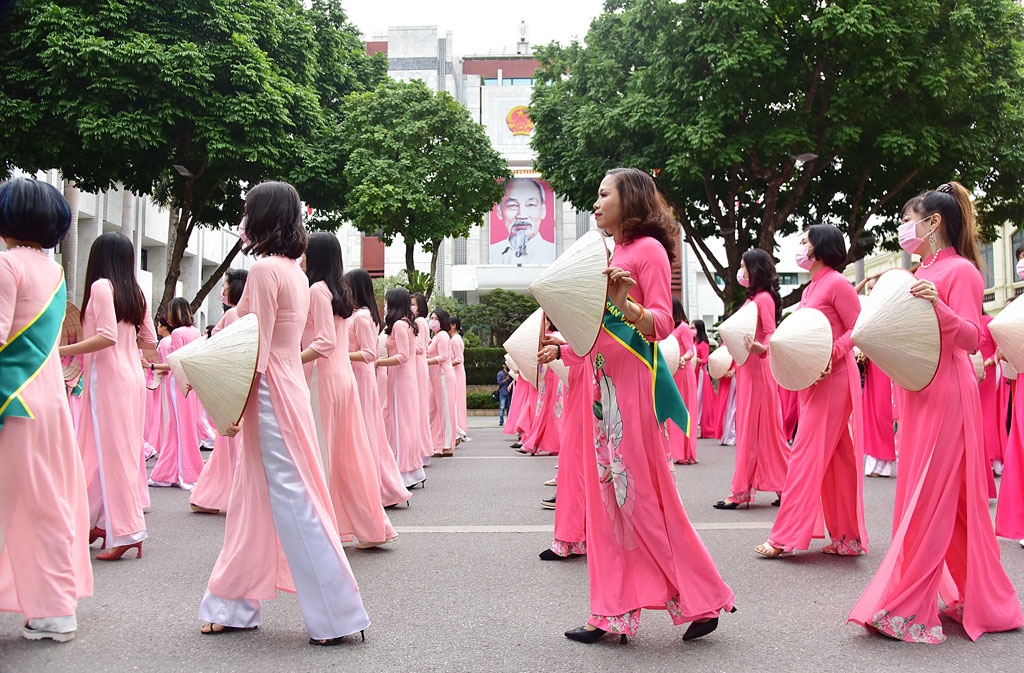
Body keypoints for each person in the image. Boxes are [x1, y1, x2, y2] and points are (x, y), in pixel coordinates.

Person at [564, 167, 734, 644]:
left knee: (643, 501)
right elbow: (593, 327)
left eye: (603, 194)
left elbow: (661, 322)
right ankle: (610, 612)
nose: (595, 203)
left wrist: (628, 305)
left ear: (630, 199)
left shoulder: (649, 251)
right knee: (607, 505)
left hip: (635, 387)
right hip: (602, 387)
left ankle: (703, 596)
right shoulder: (607, 252)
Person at [848, 182, 1022, 643]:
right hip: (921, 391)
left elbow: (970, 338)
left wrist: (937, 305)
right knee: (938, 497)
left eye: (911, 219)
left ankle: (911, 605)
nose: (907, 227)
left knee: (931, 496)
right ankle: (984, 597)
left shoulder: (961, 271)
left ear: (934, 222)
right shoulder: (923, 268)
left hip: (948, 390)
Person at [198, 181, 369, 645]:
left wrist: (228, 404)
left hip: (271, 390)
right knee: (260, 494)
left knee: (290, 497)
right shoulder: (293, 271)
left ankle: (337, 613)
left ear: (262, 217)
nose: (242, 219)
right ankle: (233, 604)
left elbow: (252, 349)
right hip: (286, 385)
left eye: (248, 210)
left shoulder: (264, 271)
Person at [0, 177, 93, 642]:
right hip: (48, 400)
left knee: (24, 504)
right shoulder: (52, 271)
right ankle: (54, 607)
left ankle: (52, 608)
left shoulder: (6, 266)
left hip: (12, 402)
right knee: (45, 502)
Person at [755, 224, 867, 557]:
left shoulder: (836, 283)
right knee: (837, 459)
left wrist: (830, 355)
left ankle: (784, 537)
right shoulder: (810, 289)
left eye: (805, 241)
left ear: (820, 247)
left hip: (834, 378)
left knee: (805, 452)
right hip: (813, 379)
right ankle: (847, 538)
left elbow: (859, 328)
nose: (800, 246)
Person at [61, 232, 157, 561]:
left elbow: (105, 336)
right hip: (131, 378)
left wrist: (63, 349)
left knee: (109, 454)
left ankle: (128, 531)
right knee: (112, 453)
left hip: (109, 379)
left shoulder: (102, 287)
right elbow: (150, 339)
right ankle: (100, 521)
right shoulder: (135, 291)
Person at [301, 232, 396, 548]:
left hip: (325, 380)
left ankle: (326, 525)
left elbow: (324, 342)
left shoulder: (316, 289)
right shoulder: (339, 290)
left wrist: (290, 360)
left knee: (326, 454)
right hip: (344, 380)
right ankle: (368, 526)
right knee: (350, 455)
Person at [713, 249, 790, 509]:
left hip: (759, 370)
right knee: (757, 431)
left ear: (755, 270)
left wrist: (761, 349)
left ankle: (743, 492)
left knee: (762, 430)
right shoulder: (755, 299)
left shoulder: (764, 299)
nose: (741, 272)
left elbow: (771, 333)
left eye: (745, 267)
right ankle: (780, 488)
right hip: (748, 370)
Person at [344, 268, 411, 508]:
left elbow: (369, 353)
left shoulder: (361, 317)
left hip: (360, 377)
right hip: (357, 375)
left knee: (364, 431)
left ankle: (377, 487)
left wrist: (341, 354)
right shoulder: (358, 315)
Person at [189, 269, 248, 514]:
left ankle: (218, 496)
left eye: (224, 285)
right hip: (234, 382)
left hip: (229, 384)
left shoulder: (235, 314)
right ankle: (217, 495)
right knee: (227, 446)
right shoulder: (240, 313)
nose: (222, 290)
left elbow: (226, 349)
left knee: (230, 445)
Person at [538, 332, 592, 560]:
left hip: (590, 384)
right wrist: (565, 345)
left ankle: (571, 539)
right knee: (581, 466)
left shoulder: (605, 307)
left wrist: (562, 350)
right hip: (586, 380)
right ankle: (579, 537)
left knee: (575, 464)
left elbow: (598, 342)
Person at [148, 297, 205, 490]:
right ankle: (170, 472)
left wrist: (152, 365)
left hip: (178, 382)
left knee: (178, 426)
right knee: (182, 426)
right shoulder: (196, 332)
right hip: (193, 380)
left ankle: (182, 472)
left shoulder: (178, 333)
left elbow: (176, 362)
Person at [378, 288, 428, 488]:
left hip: (401, 378)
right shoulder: (407, 324)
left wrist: (379, 362)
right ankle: (411, 470)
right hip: (403, 377)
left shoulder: (400, 324)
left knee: (400, 423)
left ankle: (405, 470)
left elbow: (402, 356)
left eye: (387, 302)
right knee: (403, 422)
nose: (385, 305)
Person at [489, 178, 556, 265]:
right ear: (499, 212)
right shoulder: (491, 254)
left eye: (531, 204)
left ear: (543, 210)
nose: (522, 215)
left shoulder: (554, 254)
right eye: (513, 205)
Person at [669, 299, 699, 464]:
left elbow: (690, 350)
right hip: (672, 372)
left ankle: (685, 452)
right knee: (673, 412)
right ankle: (675, 450)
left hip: (683, 371)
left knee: (684, 410)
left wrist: (683, 358)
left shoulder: (684, 327)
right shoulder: (668, 328)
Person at [426, 309, 458, 457]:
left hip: (443, 375)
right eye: (431, 318)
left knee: (444, 410)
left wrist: (424, 361)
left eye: (435, 318)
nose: (432, 321)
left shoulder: (443, 335)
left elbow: (443, 356)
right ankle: (435, 442)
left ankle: (445, 445)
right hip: (435, 376)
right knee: (434, 409)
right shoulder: (436, 336)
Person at [692, 320, 718, 438]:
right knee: (694, 398)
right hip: (694, 372)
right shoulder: (694, 343)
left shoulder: (703, 344)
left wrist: (698, 360)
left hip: (701, 372)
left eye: (694, 328)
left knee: (699, 398)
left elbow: (705, 359)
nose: (692, 330)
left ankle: (698, 424)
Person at [449, 316, 469, 442]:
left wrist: (446, 363)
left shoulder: (455, 340)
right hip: (458, 371)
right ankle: (459, 427)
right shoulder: (456, 339)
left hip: (457, 372)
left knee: (456, 400)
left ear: (454, 325)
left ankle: (459, 428)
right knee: (458, 400)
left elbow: (459, 359)